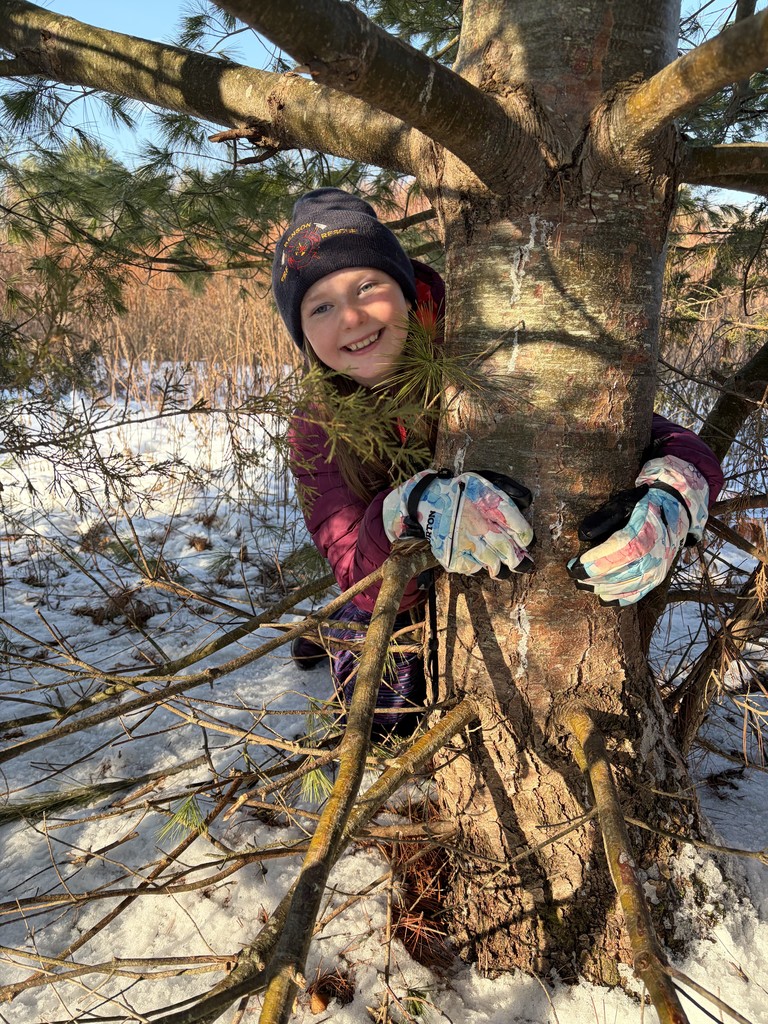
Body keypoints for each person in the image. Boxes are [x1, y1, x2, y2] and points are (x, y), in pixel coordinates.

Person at [272, 188, 724, 736]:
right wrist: (406, 508)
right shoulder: (316, 426)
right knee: (389, 719)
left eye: (368, 286)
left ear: (406, 289)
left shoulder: (475, 350)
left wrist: (677, 495)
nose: (351, 316)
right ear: (303, 333)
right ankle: (330, 626)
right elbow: (352, 565)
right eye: (320, 306)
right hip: (398, 582)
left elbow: (650, 432)